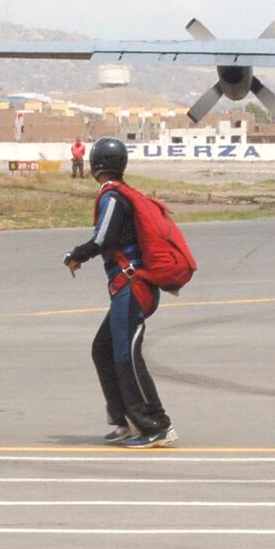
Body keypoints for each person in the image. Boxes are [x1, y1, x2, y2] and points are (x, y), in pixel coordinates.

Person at [64, 137, 176, 447]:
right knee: (103, 349)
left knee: (126, 355)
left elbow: (102, 239)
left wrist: (76, 254)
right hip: (127, 287)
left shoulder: (112, 196)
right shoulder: (120, 193)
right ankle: (125, 418)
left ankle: (156, 425)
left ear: (95, 164)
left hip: (133, 287)